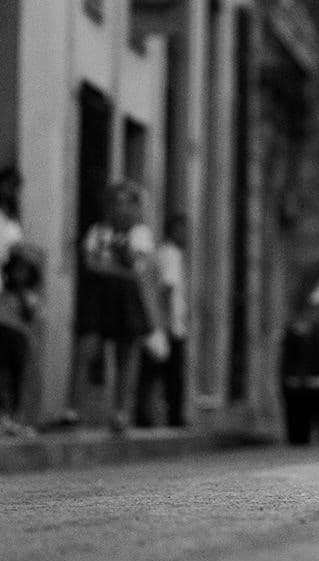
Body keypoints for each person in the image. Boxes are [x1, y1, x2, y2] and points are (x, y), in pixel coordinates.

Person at [54, 180, 165, 433]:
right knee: (87, 347)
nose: (121, 209)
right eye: (116, 203)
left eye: (127, 203)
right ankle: (73, 409)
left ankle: (120, 412)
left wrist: (115, 264)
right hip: (99, 296)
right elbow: (92, 263)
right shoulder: (98, 232)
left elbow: (137, 268)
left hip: (125, 298)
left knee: (125, 354)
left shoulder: (140, 234)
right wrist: (119, 267)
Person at [135, 213, 189, 428]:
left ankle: (145, 414)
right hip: (169, 325)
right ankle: (171, 417)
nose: (186, 234)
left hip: (161, 322)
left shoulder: (162, 253)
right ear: (174, 230)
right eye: (183, 229)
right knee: (171, 375)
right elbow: (167, 288)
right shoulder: (171, 254)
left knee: (153, 372)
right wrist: (166, 324)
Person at [0, 240, 43, 438]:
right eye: (17, 269)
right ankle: (5, 418)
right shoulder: (5, 294)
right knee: (4, 378)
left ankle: (18, 419)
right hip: (4, 336)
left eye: (24, 270)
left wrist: (22, 295)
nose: (19, 275)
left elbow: (31, 317)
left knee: (19, 380)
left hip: (20, 340)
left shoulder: (30, 297)